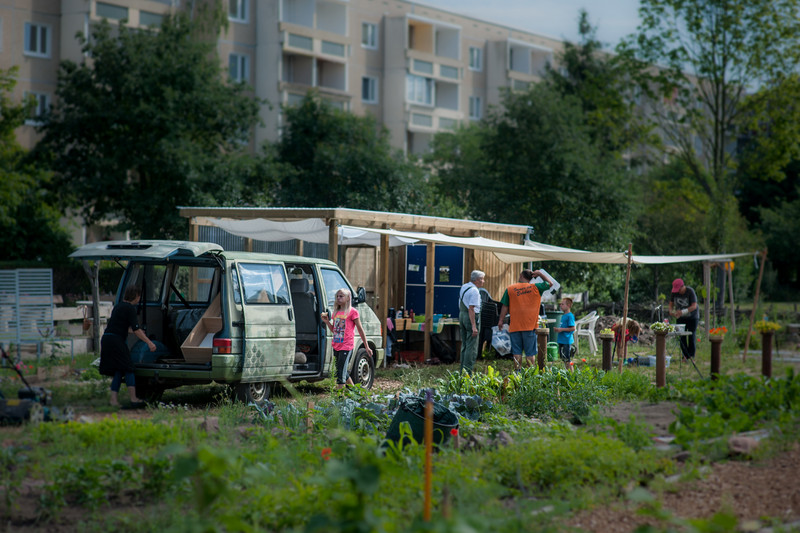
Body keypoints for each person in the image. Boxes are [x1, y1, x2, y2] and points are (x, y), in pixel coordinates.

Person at [99, 286, 155, 408]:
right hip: (116, 341)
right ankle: (134, 398)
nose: (139, 299)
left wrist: (136, 331)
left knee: (119, 369)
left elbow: (121, 326)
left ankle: (113, 400)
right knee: (129, 368)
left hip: (107, 339)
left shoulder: (118, 306)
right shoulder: (130, 308)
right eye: (139, 296)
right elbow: (136, 329)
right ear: (135, 296)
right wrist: (149, 342)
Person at [496, 269, 553, 371]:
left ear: (521, 275)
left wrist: (500, 320)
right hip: (530, 326)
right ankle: (530, 375)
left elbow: (505, 306)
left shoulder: (510, 289)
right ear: (531, 278)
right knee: (530, 353)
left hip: (515, 326)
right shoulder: (536, 288)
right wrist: (540, 274)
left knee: (517, 352)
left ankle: (517, 373)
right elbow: (550, 283)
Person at [321, 288, 373, 389]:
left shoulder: (353, 312)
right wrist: (327, 322)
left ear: (348, 298)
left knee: (341, 374)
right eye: (337, 296)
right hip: (336, 345)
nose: (338, 298)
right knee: (341, 370)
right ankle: (355, 393)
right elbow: (335, 331)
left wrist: (367, 346)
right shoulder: (336, 312)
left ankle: (339, 400)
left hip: (346, 346)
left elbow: (361, 330)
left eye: (341, 296)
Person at [458, 270, 486, 374]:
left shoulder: (464, 286)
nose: (483, 281)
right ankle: (468, 373)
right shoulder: (475, 291)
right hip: (471, 318)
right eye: (482, 279)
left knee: (465, 345)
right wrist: (474, 326)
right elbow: (471, 309)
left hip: (462, 316)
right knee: (472, 346)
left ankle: (462, 371)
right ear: (478, 280)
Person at [669, 278, 699, 359]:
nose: (678, 292)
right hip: (681, 318)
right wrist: (671, 311)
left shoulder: (690, 291)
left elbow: (694, 306)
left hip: (692, 317)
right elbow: (671, 304)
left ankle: (691, 355)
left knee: (691, 336)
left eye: (679, 290)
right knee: (681, 337)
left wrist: (683, 311)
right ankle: (685, 356)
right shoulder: (674, 293)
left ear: (683, 287)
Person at [554, 297, 576, 371]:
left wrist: (561, 329)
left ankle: (571, 374)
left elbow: (573, 328)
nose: (561, 305)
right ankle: (567, 372)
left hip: (566, 341)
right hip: (561, 340)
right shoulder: (563, 316)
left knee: (567, 359)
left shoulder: (570, 316)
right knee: (563, 359)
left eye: (563, 304)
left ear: (568, 305)